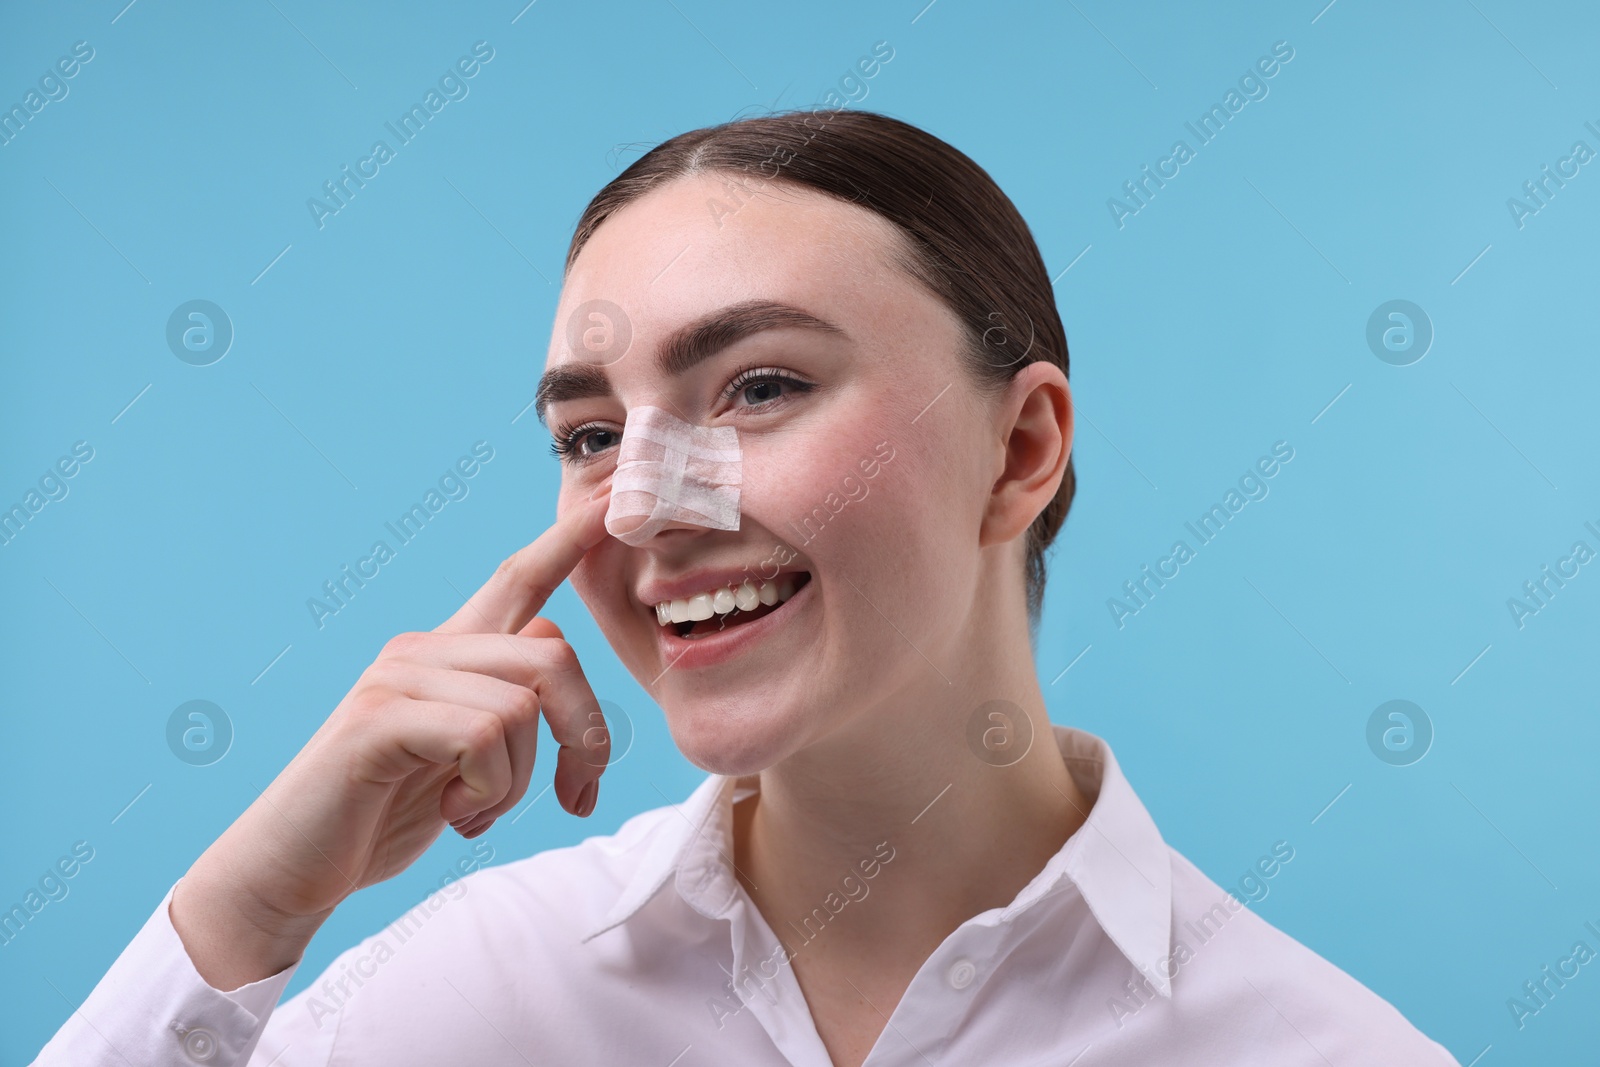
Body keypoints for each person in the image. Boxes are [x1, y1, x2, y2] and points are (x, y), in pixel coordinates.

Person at [32, 109, 1458, 1066]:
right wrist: (246, 914)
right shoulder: (455, 1003)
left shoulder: (1318, 1047)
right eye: (591, 436)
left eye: (759, 386)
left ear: (1019, 450)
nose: (646, 504)